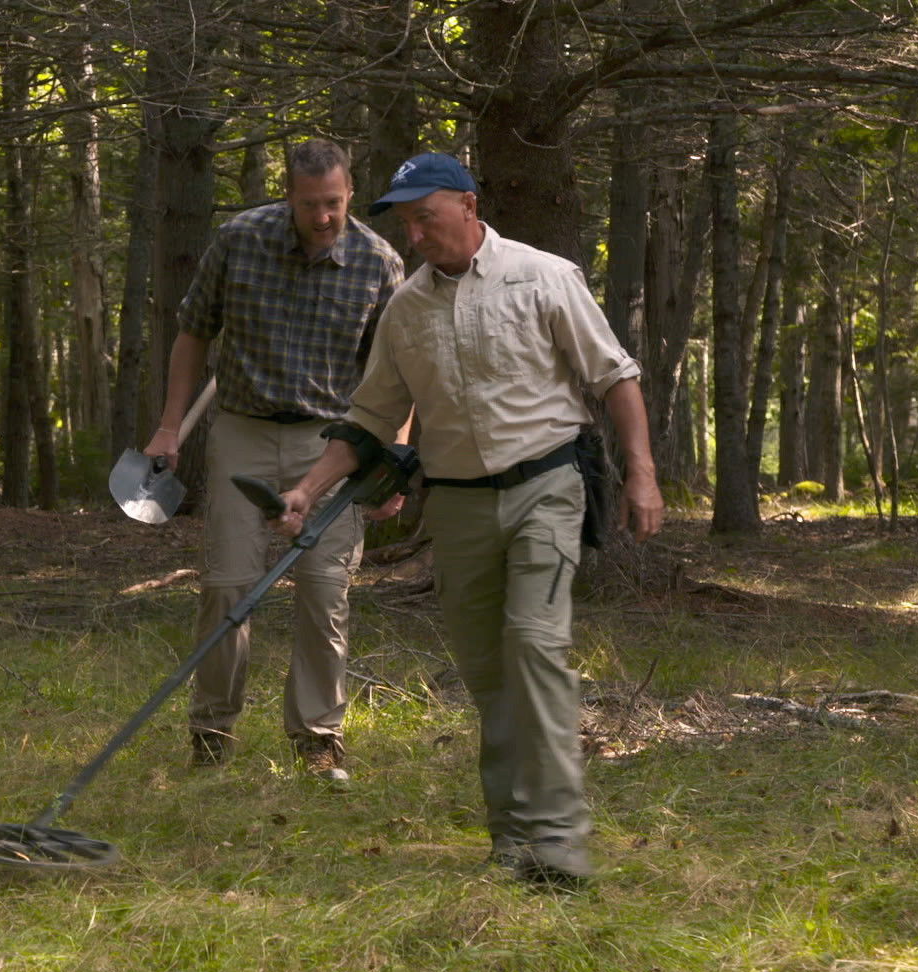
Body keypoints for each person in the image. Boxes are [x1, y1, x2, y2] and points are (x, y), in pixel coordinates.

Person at [273, 151, 664, 883]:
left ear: (468, 204)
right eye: (407, 222)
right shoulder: (406, 309)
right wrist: (309, 488)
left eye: (427, 216)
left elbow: (616, 377)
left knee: (535, 647)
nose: (416, 234)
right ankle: (511, 837)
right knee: (489, 673)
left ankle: (557, 840)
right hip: (455, 505)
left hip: (546, 487)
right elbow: (371, 418)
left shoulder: (544, 276)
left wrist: (642, 475)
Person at [143, 138, 405, 785]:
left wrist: (392, 462)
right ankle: (211, 732)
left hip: (335, 440)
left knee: (324, 591)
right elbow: (194, 332)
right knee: (229, 584)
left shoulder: (378, 262)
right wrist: (169, 425)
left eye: (336, 203)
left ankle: (318, 740)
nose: (324, 217)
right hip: (243, 427)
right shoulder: (240, 241)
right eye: (312, 204)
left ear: (349, 194)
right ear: (288, 195)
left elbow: (398, 374)